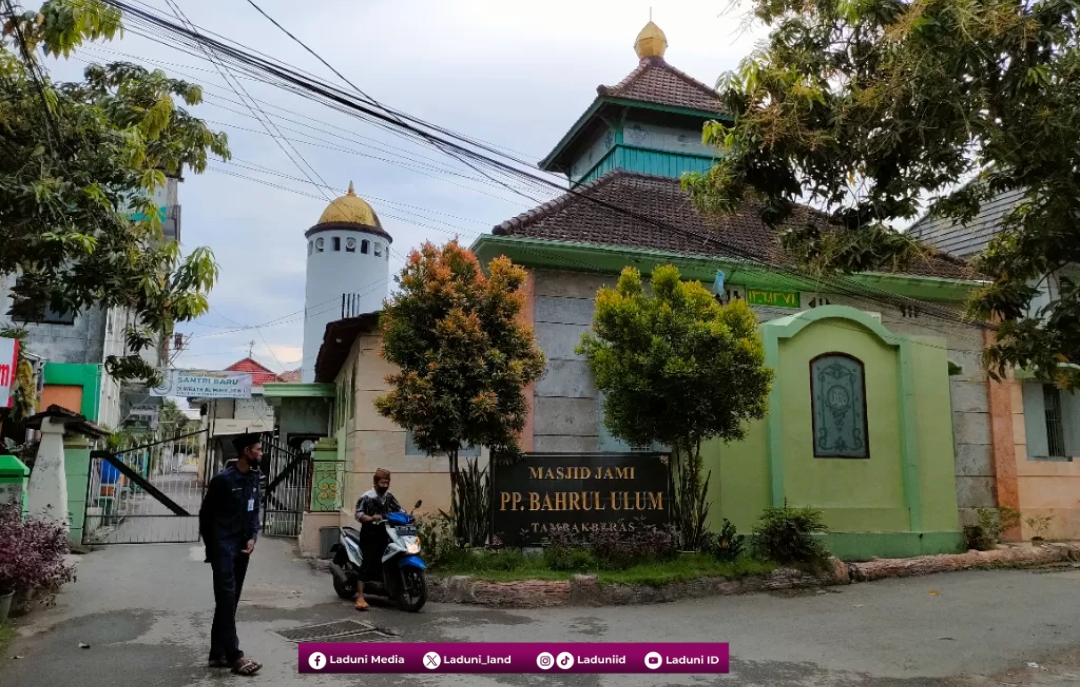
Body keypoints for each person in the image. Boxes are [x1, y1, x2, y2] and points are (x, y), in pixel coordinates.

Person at [198, 433, 263, 676]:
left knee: (230, 602)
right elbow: (205, 515)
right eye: (258, 449)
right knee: (226, 599)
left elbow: (254, 510)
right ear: (247, 451)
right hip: (223, 547)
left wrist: (252, 536)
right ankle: (235, 656)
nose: (260, 453)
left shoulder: (254, 478)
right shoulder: (223, 480)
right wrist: (212, 548)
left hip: (242, 548)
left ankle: (217, 655)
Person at [353, 468, 402, 611]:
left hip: (386, 533)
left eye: (387, 482)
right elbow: (358, 514)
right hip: (370, 533)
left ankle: (390, 589)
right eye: (382, 483)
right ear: (375, 483)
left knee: (387, 559)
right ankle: (360, 596)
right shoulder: (366, 497)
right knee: (367, 561)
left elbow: (400, 509)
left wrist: (408, 517)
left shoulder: (389, 497)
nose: (385, 485)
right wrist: (370, 518)